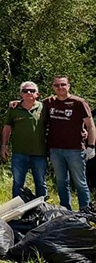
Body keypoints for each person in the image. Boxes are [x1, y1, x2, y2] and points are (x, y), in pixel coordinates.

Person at [43, 75, 95, 210]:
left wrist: (91, 146)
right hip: (55, 149)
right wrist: (16, 103)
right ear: (53, 87)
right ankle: (65, 210)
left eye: (63, 84)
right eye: (57, 85)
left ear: (68, 86)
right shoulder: (48, 102)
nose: (60, 87)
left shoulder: (79, 103)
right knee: (61, 182)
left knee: (80, 182)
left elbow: (90, 126)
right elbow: (30, 102)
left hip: (75, 150)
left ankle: (85, 211)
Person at [1, 81, 47, 200]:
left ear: (37, 94)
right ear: (21, 94)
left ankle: (43, 210)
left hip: (40, 153)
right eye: (25, 91)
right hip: (19, 153)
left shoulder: (44, 107)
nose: (28, 93)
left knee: (41, 184)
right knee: (18, 183)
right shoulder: (14, 109)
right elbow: (7, 128)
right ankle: (17, 212)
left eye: (32, 91)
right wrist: (4, 146)